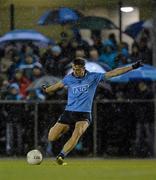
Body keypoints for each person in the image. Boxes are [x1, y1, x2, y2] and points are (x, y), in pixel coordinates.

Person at [42, 57, 142, 165]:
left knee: (77, 134)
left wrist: (132, 67)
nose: (76, 72)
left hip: (84, 114)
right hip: (69, 112)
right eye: (74, 69)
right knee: (51, 137)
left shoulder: (93, 77)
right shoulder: (68, 78)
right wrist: (46, 89)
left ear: (84, 68)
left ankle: (61, 156)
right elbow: (57, 86)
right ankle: (66, 128)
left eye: (78, 69)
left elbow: (113, 73)